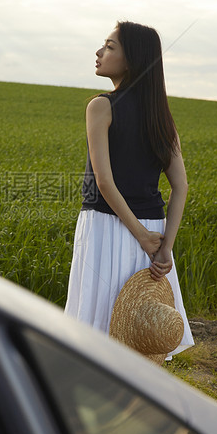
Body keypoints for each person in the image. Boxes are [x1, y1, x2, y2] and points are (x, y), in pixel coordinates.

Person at [64, 20, 194, 358]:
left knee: (98, 328)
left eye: (109, 46)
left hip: (109, 226)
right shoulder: (162, 118)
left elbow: (105, 182)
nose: (99, 52)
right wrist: (165, 246)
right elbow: (180, 187)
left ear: (132, 59)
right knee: (142, 331)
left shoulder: (101, 106)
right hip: (153, 232)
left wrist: (140, 236)